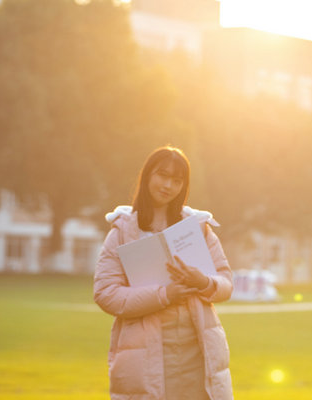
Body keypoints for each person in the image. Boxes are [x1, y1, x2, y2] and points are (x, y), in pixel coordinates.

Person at [94, 146, 234, 400]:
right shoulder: (122, 231)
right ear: (147, 176)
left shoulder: (198, 228)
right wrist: (164, 294)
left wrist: (203, 281)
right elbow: (106, 294)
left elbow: (225, 283)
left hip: (198, 353)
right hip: (146, 356)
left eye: (177, 180)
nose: (168, 185)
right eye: (162, 175)